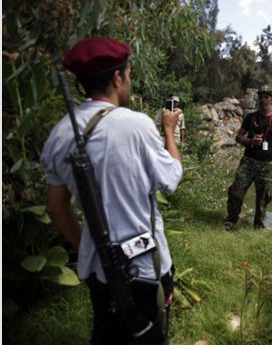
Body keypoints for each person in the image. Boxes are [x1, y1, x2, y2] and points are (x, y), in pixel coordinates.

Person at [40, 36, 183, 344]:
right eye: (128, 73)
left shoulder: (60, 133)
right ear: (118, 77)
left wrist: (90, 247)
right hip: (145, 269)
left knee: (106, 334)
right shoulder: (136, 125)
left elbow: (56, 207)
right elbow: (172, 177)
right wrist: (169, 131)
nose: (128, 79)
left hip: (99, 270)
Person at [224, 85, 272, 230]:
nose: (263, 99)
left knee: (264, 197)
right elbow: (238, 137)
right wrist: (250, 142)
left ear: (271, 99)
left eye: (266, 97)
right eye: (261, 96)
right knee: (236, 191)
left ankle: (259, 225)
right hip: (249, 161)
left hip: (268, 164)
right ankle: (231, 219)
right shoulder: (250, 117)